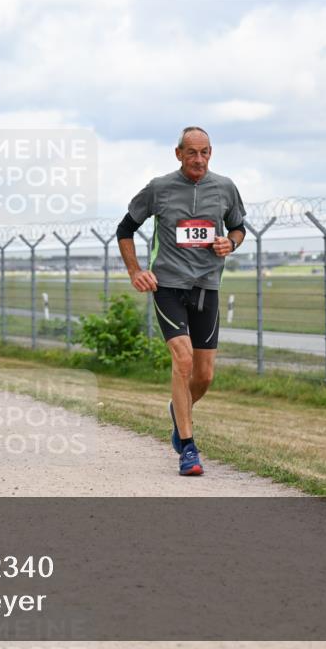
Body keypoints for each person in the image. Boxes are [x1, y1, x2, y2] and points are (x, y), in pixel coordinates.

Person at [116, 126, 246, 476]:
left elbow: (238, 228)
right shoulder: (159, 188)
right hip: (168, 285)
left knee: (203, 375)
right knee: (183, 360)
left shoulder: (225, 188)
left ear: (211, 153)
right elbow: (125, 229)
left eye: (204, 152)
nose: (198, 159)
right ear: (178, 154)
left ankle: (180, 409)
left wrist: (230, 244)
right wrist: (134, 272)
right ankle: (188, 448)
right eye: (191, 152)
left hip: (207, 287)